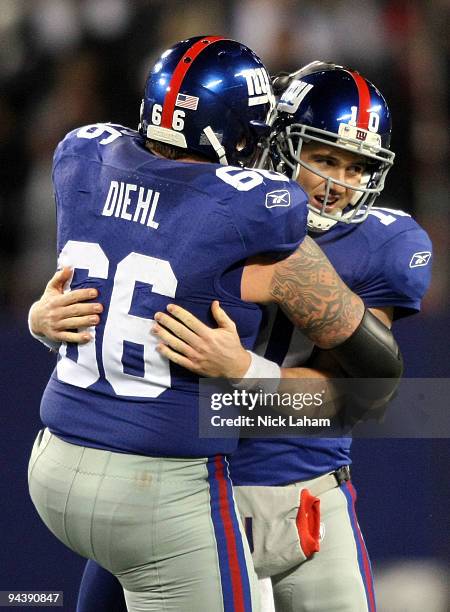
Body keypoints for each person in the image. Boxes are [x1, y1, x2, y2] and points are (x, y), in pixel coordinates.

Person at [28, 56, 406, 612]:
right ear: (271, 140)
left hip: (289, 483)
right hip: (181, 479)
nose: (335, 185)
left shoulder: (382, 243)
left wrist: (242, 377)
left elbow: (370, 402)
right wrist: (43, 320)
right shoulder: (254, 210)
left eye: (354, 168)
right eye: (322, 158)